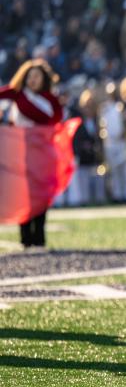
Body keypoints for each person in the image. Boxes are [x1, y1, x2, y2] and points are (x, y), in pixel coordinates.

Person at [0, 60, 63, 247]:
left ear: (44, 79)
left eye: (37, 76)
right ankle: (25, 237)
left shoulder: (50, 99)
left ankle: (39, 236)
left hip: (43, 154)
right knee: (22, 194)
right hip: (19, 153)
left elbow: (55, 119)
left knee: (41, 194)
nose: (33, 80)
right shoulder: (17, 94)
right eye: (30, 76)